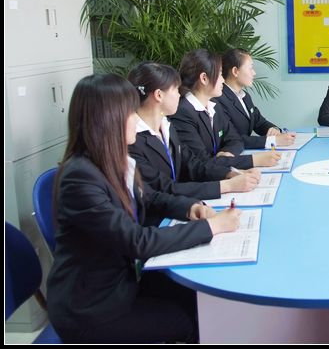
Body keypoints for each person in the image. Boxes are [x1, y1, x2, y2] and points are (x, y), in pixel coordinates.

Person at [46, 74, 241, 343]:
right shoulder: (80, 178)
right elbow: (136, 241)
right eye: (129, 112)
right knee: (191, 317)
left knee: (201, 298)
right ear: (108, 120)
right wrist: (211, 227)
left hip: (123, 281)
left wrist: (190, 209)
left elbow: (150, 197)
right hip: (93, 307)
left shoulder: (113, 160)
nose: (135, 118)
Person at [127, 62, 260, 217]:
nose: (179, 94)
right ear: (159, 95)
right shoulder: (132, 141)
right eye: (176, 89)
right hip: (159, 218)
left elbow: (192, 164)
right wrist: (226, 186)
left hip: (180, 207)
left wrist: (230, 173)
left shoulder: (166, 126)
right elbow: (165, 188)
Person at [171, 49, 280, 169]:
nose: (223, 80)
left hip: (220, 172)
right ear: (204, 78)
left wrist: (227, 153)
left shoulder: (214, 106)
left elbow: (235, 140)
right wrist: (254, 160)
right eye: (219, 74)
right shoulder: (183, 112)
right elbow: (202, 163)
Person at [216, 48, 296, 149]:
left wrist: (274, 130)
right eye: (250, 68)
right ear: (235, 71)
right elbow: (233, 139)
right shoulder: (219, 100)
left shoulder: (245, 96)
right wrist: (273, 141)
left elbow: (259, 122)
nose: (254, 73)